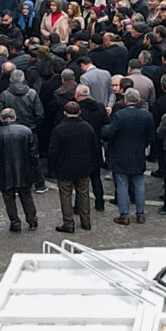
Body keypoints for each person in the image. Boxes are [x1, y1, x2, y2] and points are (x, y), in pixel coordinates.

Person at [45, 98, 102, 233]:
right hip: (83, 167)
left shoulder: (60, 129)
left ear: (65, 113)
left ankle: (68, 223)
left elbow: (53, 151)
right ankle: (86, 221)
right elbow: (94, 147)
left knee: (65, 195)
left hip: (64, 168)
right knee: (84, 194)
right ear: (79, 112)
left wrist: (52, 166)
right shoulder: (87, 127)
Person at [0, 107, 43, 233]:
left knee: (8, 198)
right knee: (26, 196)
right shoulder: (26, 131)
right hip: (24, 170)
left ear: (1, 119)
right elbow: (33, 154)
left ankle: (15, 222)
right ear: (14, 117)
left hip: (3, 171)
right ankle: (32, 220)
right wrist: (36, 172)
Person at [105, 89, 154, 223]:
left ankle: (124, 215)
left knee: (122, 185)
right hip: (138, 153)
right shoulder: (147, 116)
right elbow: (150, 136)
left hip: (121, 154)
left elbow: (109, 132)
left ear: (126, 100)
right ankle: (140, 213)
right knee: (139, 184)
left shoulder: (120, 115)